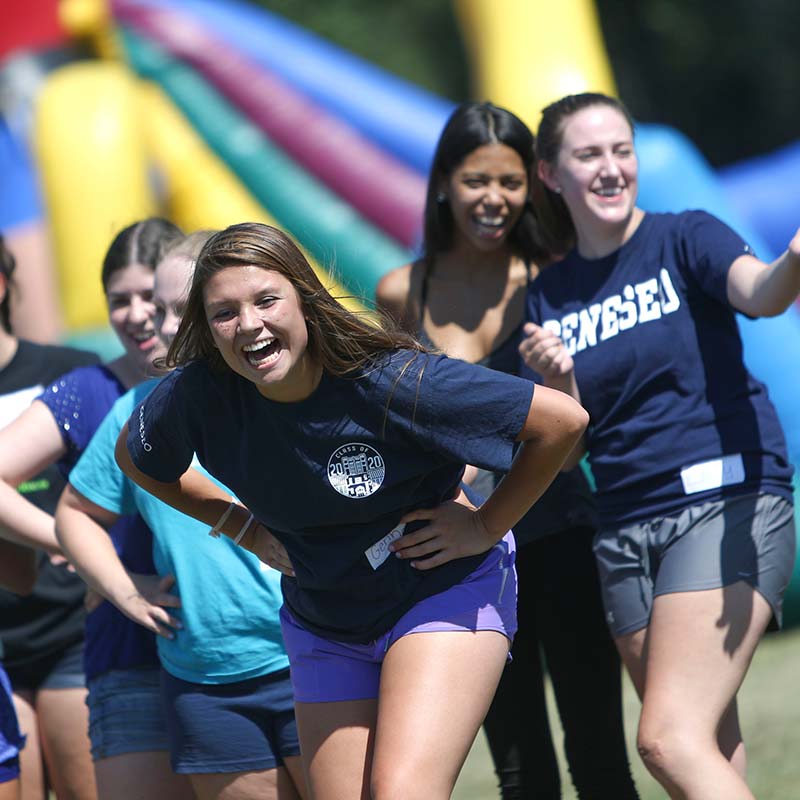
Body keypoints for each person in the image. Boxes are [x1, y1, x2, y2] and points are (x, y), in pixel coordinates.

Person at [110, 221, 588, 800]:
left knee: (402, 793)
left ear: (305, 300)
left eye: (266, 301)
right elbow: (136, 457)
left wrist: (485, 526)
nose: (250, 325)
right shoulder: (199, 393)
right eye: (225, 313)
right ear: (208, 330)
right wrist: (238, 524)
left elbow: (562, 422)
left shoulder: (390, 380)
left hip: (439, 588)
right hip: (325, 617)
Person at [521, 91, 799, 800]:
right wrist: (557, 383)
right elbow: (570, 443)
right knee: (701, 751)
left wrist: (793, 259)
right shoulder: (547, 296)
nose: (611, 168)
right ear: (550, 173)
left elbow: (762, 293)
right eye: (589, 155)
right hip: (623, 532)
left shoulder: (686, 235)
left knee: (665, 739)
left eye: (622, 150)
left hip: (725, 501)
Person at [377, 101, 639, 800]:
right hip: (462, 558)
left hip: (561, 533)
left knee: (600, 759)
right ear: (442, 183)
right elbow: (392, 422)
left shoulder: (553, 277)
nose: (493, 198)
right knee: (521, 774)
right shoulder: (401, 291)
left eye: (510, 181)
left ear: (532, 186)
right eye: (475, 181)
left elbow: (579, 424)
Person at [56, 231, 307, 800]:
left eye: (182, 309)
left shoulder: (286, 389)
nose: (163, 326)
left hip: (309, 655)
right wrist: (124, 591)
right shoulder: (137, 412)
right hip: (202, 681)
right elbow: (74, 512)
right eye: (161, 309)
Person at [0, 219, 187, 800]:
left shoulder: (236, 384)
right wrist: (92, 558)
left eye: (150, 297)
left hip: (243, 651)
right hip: (126, 655)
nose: (137, 314)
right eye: (119, 300)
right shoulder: (88, 392)